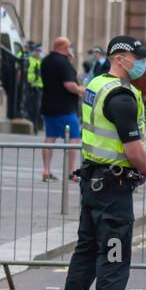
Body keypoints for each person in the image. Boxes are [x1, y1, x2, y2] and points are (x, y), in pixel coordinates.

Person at [59, 36, 146, 290]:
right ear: (120, 57)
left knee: (86, 249)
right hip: (113, 187)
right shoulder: (121, 97)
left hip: (92, 181)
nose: (142, 63)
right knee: (114, 252)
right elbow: (133, 148)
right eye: (137, 57)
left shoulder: (96, 84)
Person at [39, 37, 86, 182]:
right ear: (65, 48)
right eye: (70, 47)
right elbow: (69, 85)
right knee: (74, 138)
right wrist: (82, 90)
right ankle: (71, 171)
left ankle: (46, 170)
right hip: (64, 108)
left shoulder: (46, 61)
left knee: (50, 138)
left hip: (48, 105)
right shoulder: (64, 63)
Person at [22, 42, 43, 122]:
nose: (38, 53)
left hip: (39, 86)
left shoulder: (40, 61)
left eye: (39, 52)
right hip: (30, 85)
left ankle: (36, 121)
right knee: (30, 104)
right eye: (37, 51)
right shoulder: (29, 60)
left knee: (37, 106)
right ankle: (31, 119)